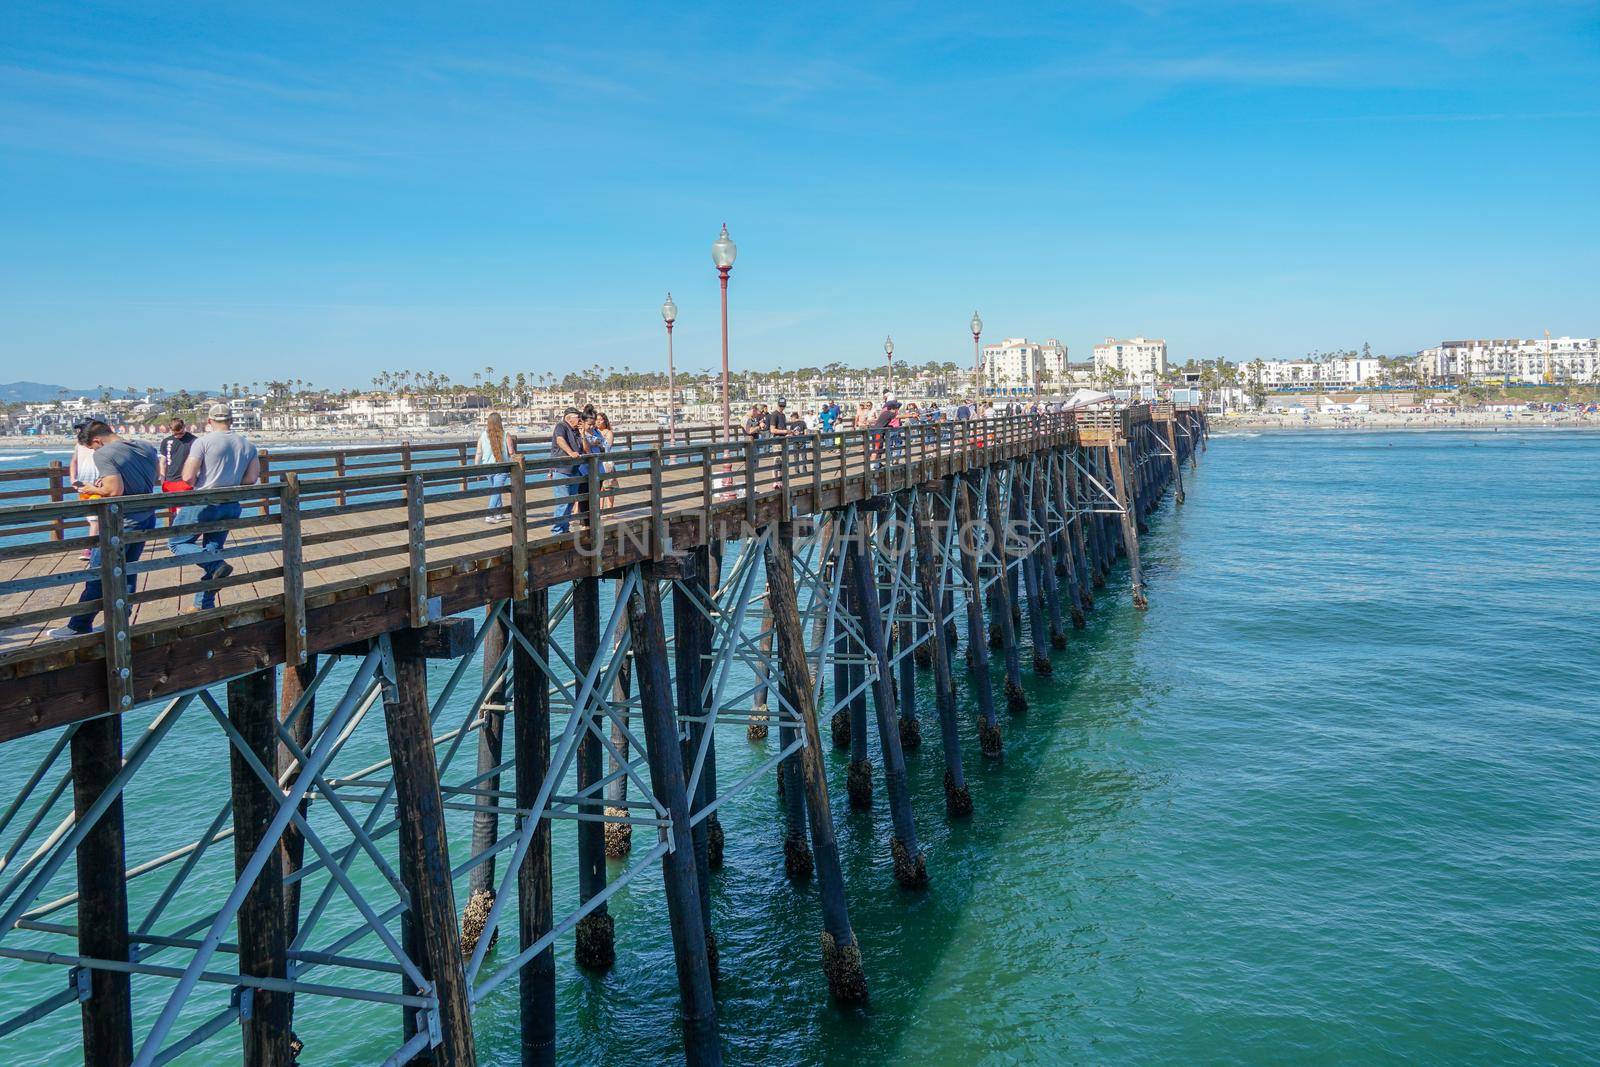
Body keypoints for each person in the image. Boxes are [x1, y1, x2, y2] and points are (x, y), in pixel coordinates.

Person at [49, 421, 160, 637]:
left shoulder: (105, 453)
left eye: (93, 447)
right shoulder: (145, 446)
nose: (94, 452)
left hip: (121, 522)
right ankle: (120, 621)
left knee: (97, 573)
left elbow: (114, 490)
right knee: (127, 571)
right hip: (146, 517)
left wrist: (90, 487)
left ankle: (78, 625)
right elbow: (151, 477)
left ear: (97, 440)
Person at [169, 403, 261, 612]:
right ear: (231, 421)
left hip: (205, 502)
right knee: (212, 549)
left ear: (209, 421)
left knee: (177, 543)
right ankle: (204, 604)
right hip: (231, 504)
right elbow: (251, 478)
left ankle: (214, 565)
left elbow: (188, 478)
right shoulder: (247, 445)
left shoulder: (202, 442)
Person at [550, 407, 586, 534]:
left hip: (574, 470)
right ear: (568, 418)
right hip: (561, 470)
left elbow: (584, 449)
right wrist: (570, 452)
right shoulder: (561, 426)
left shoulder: (576, 431)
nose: (580, 420)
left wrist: (583, 434)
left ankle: (564, 529)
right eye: (578, 417)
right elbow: (560, 440)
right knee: (563, 502)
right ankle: (557, 531)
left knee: (570, 502)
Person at [475, 411, 511, 523]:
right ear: (500, 422)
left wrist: (477, 469)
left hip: (487, 467)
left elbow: (478, 453)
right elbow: (512, 452)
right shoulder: (506, 435)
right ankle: (489, 515)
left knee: (496, 489)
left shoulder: (483, 435)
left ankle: (499, 513)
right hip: (501, 467)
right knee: (496, 490)